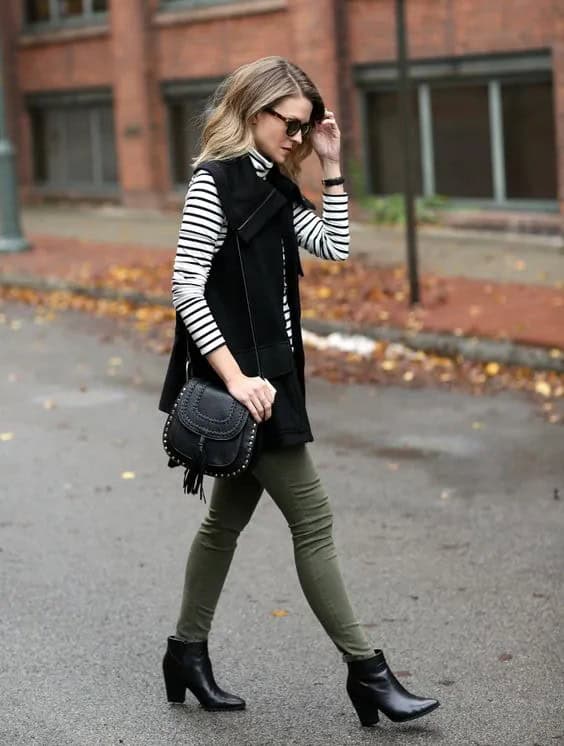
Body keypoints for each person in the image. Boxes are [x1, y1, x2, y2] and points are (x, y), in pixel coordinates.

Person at [158, 56, 440, 728]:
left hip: (275, 378)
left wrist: (331, 165)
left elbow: (334, 245)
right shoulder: (215, 183)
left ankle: (185, 654)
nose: (298, 138)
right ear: (253, 111)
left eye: (308, 128)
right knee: (313, 520)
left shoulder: (277, 183)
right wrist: (235, 378)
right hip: (246, 385)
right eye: (291, 125)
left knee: (224, 522)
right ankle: (368, 673)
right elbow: (185, 286)